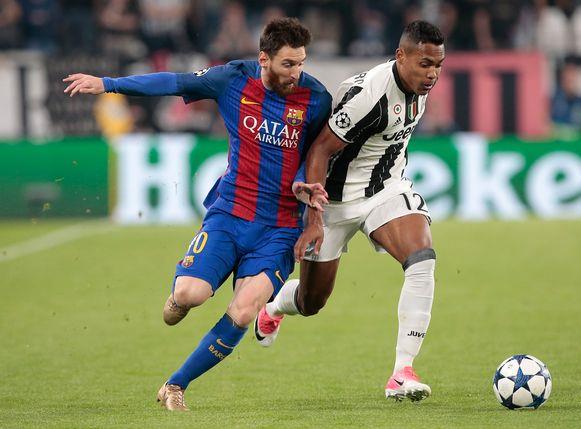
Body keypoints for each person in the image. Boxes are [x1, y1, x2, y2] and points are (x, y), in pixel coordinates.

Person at [63, 18, 332, 411]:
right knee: (190, 296)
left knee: (244, 310)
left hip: (279, 228)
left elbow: (317, 154)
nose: (297, 73)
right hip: (230, 215)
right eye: (288, 64)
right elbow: (174, 82)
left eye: (301, 63)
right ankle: (180, 297)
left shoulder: (316, 98)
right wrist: (109, 84)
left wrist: (300, 185)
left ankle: (176, 385)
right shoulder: (232, 79)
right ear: (264, 59)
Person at [255, 20, 445, 403]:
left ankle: (402, 371)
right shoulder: (369, 97)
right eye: (424, 64)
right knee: (311, 302)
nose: (432, 74)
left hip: (384, 190)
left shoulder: (418, 88)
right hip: (334, 202)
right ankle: (274, 307)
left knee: (421, 259)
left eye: (438, 65)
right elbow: (319, 151)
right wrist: (314, 218)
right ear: (401, 56)